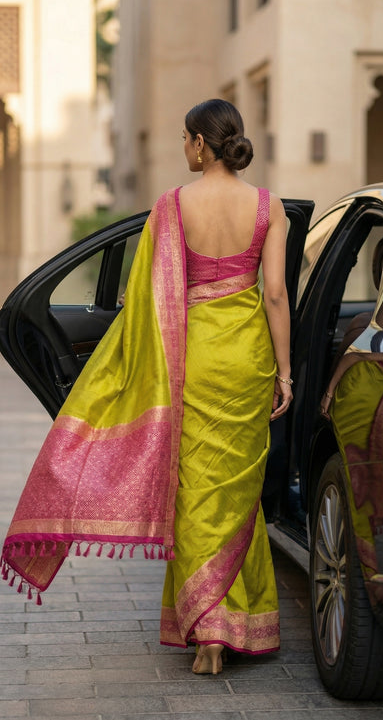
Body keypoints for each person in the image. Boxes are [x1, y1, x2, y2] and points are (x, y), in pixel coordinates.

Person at [1, 99, 292, 675]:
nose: (185, 148)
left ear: (201, 145)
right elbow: (277, 293)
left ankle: (205, 628)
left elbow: (145, 302)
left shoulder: (171, 208)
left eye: (186, 139)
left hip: (192, 360)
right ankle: (231, 623)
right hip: (245, 360)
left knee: (192, 491)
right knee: (236, 492)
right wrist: (285, 371)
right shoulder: (268, 206)